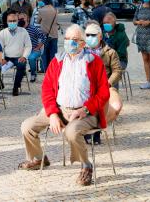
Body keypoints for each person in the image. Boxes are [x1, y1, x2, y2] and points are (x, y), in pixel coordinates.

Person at [17, 24, 110, 186]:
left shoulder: (94, 62)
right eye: (67, 39)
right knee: (27, 126)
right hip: (59, 109)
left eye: (74, 40)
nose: (70, 43)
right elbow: (46, 89)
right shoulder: (57, 61)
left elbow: (103, 93)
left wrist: (85, 109)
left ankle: (86, 166)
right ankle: (39, 158)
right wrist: (52, 113)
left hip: (86, 112)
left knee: (71, 132)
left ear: (83, 43)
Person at [84, 22, 124, 144]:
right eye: (87, 35)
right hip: (85, 87)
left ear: (100, 36)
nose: (90, 37)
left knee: (116, 107)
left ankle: (97, 127)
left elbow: (117, 71)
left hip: (106, 86)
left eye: (93, 35)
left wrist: (108, 83)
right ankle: (88, 128)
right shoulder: (81, 51)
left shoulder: (110, 52)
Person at [0, 11, 32, 96]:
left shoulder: (23, 31)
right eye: (10, 21)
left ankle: (16, 87)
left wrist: (24, 56)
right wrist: (2, 58)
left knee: (21, 65)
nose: (12, 23)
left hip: (19, 57)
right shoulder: (3, 32)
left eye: (14, 21)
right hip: (6, 58)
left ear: (17, 21)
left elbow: (28, 46)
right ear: (7, 22)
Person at [19, 12, 46, 82]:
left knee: (31, 58)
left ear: (27, 19)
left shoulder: (33, 28)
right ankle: (22, 72)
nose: (20, 20)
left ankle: (33, 74)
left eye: (22, 19)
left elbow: (43, 37)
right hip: (23, 50)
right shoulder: (18, 29)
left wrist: (38, 47)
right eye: (19, 19)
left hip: (34, 50)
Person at [38, 0, 59, 73]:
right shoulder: (55, 10)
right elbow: (56, 21)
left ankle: (46, 71)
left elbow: (37, 21)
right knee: (53, 54)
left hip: (44, 35)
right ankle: (53, 70)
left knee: (44, 54)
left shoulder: (41, 10)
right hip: (54, 35)